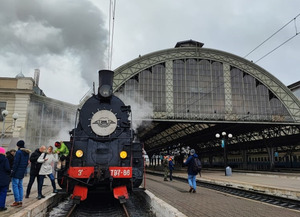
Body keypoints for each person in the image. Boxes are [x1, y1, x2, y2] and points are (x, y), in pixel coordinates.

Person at [10, 140, 31, 207]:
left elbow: (16, 163)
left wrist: (13, 171)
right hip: (22, 171)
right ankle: (20, 201)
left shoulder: (18, 152)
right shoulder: (27, 153)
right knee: (20, 186)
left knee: (15, 186)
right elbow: (27, 162)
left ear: (18, 145)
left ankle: (17, 201)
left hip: (17, 171)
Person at [0, 147, 10, 211]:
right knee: (3, 193)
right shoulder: (5, 159)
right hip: (3, 179)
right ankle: (1, 206)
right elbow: (7, 168)